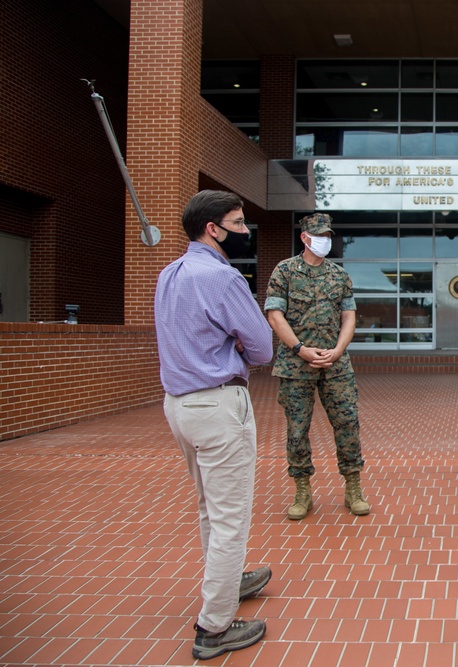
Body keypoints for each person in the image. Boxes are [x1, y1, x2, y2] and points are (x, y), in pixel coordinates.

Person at [154, 189, 274, 660]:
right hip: (219, 406)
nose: (246, 232)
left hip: (179, 406)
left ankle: (226, 580)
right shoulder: (223, 278)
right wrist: (239, 346)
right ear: (214, 229)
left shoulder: (170, 273)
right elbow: (262, 348)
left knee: (209, 506)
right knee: (230, 519)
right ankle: (215, 627)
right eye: (240, 223)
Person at [265, 212, 370, 519]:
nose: (326, 240)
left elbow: (348, 316)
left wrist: (338, 350)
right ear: (305, 238)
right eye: (319, 236)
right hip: (296, 366)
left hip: (335, 365)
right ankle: (302, 491)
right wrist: (300, 349)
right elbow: (274, 315)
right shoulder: (284, 271)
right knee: (297, 430)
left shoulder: (339, 275)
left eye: (328, 236)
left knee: (348, 424)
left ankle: (353, 489)